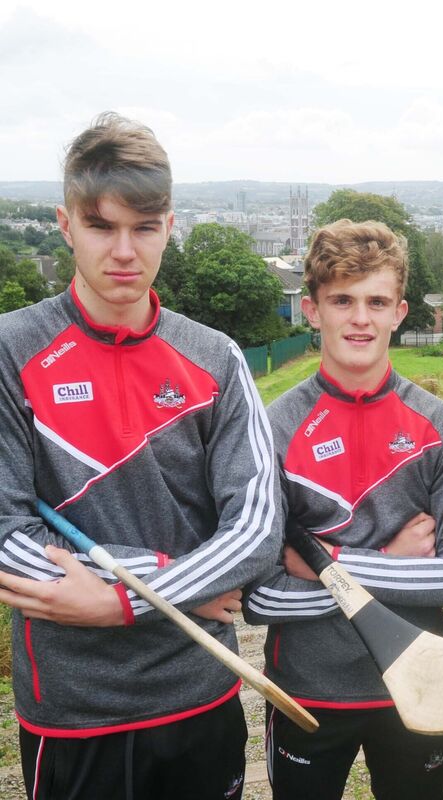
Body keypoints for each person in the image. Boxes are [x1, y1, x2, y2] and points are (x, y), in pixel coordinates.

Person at [0, 112, 280, 800]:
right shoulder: (11, 350)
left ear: (169, 227)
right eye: (102, 226)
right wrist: (162, 581)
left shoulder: (216, 356)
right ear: (65, 225)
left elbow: (256, 530)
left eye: (145, 227)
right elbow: (7, 538)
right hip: (74, 711)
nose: (124, 251)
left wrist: (118, 602)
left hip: (200, 692)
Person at [243, 219, 443, 800]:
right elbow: (260, 596)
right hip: (306, 689)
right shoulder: (271, 429)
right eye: (342, 300)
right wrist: (396, 560)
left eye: (376, 302)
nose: (360, 319)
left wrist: (327, 564)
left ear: (399, 312)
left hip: (416, 683)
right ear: (311, 310)